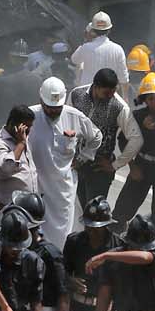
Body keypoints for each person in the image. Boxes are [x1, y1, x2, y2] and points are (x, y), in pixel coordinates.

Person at [29, 77, 103, 249]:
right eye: (49, 107)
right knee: (35, 226)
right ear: (41, 101)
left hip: (63, 188)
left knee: (62, 233)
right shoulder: (30, 116)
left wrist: (82, 158)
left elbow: (96, 137)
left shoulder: (73, 116)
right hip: (37, 185)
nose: (53, 111)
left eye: (57, 108)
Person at [113, 73, 155, 235]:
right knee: (122, 210)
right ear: (144, 99)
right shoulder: (136, 117)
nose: (154, 103)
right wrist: (133, 166)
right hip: (142, 166)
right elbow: (123, 141)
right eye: (150, 99)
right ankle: (113, 239)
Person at [69, 68, 143, 210]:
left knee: (95, 213)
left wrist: (115, 165)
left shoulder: (119, 107)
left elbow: (136, 139)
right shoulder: (76, 95)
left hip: (99, 168)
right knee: (78, 209)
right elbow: (67, 124)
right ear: (95, 87)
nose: (110, 96)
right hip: (76, 164)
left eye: (113, 91)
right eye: (106, 93)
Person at [72, 12, 129, 97]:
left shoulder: (85, 48)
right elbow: (123, 79)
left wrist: (87, 40)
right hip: (109, 97)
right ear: (109, 30)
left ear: (93, 30)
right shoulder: (118, 49)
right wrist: (125, 97)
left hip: (88, 97)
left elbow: (74, 59)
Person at [0, 105, 37, 205]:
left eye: (29, 128)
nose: (27, 133)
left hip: (26, 205)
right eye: (25, 128)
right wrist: (21, 144)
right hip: (7, 206)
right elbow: (6, 168)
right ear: (13, 124)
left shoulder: (23, 138)